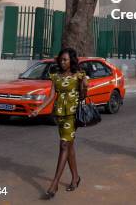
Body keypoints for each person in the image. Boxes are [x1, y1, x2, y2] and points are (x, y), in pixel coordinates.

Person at [30, 48, 87, 198]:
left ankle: (54, 184)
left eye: (65, 60)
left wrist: (84, 85)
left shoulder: (78, 75)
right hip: (60, 114)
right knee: (69, 146)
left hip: (72, 114)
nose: (62, 62)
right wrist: (38, 109)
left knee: (63, 145)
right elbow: (51, 96)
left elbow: (82, 97)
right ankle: (76, 177)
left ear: (71, 61)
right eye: (61, 60)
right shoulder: (55, 76)